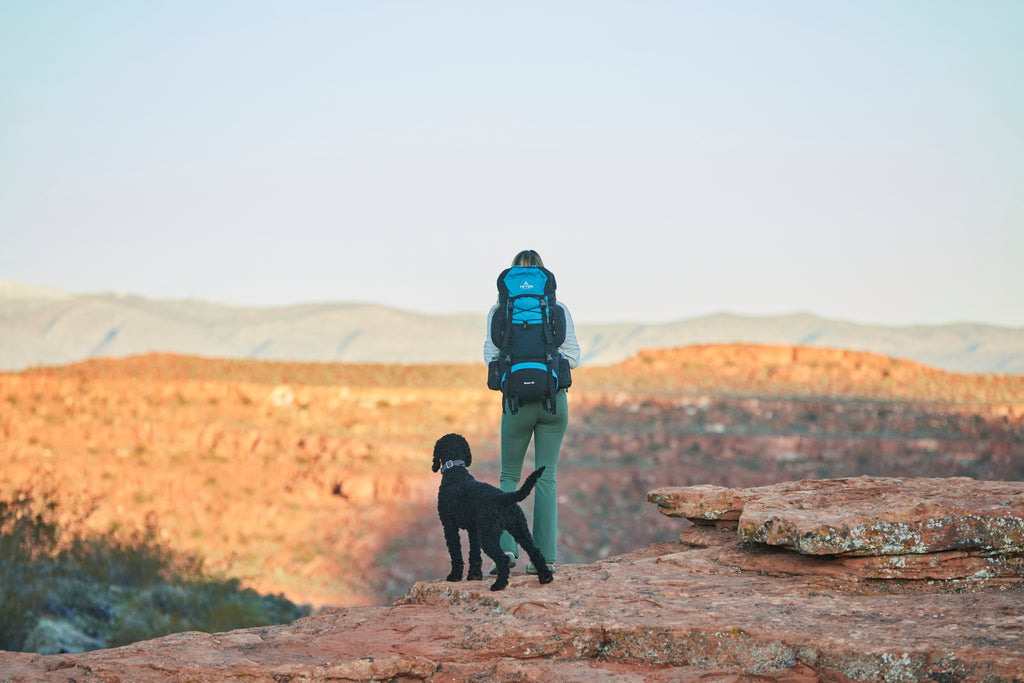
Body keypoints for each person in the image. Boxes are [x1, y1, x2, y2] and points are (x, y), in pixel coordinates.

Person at [482, 249, 581, 575]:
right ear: (543, 275)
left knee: (509, 476)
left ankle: (507, 553)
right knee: (546, 477)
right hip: (554, 402)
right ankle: (545, 559)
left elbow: (489, 357)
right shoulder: (557, 309)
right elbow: (574, 357)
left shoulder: (500, 310)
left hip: (516, 405)